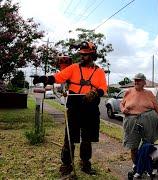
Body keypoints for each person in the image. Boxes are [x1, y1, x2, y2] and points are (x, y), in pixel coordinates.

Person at [33, 41, 107, 176]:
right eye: (81, 54)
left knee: (87, 138)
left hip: (90, 106)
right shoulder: (73, 68)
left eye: (85, 55)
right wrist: (45, 78)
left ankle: (85, 164)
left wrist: (96, 93)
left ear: (92, 55)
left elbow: (103, 88)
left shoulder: (99, 72)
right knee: (69, 137)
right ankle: (66, 165)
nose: (82, 57)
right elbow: (58, 77)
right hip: (74, 104)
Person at [120, 73, 158, 176]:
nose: (136, 82)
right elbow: (122, 103)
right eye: (135, 80)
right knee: (133, 145)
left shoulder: (149, 93)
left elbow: (157, 107)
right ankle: (137, 166)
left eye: (139, 80)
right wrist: (123, 109)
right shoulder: (128, 92)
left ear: (144, 82)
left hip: (149, 121)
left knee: (148, 145)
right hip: (132, 120)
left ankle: (149, 166)